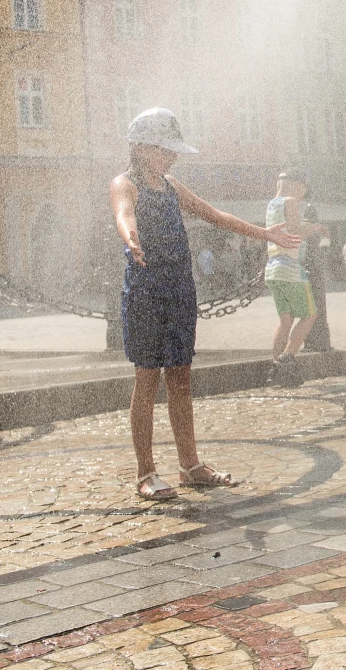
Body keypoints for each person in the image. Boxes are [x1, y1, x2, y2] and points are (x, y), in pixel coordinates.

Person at [110, 108, 301, 501]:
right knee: (147, 380)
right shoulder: (124, 183)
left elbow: (215, 216)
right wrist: (131, 238)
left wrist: (263, 233)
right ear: (141, 148)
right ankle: (146, 473)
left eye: (173, 151)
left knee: (180, 378)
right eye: (165, 150)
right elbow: (123, 214)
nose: (171, 157)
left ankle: (190, 465)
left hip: (179, 290)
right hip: (145, 293)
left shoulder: (172, 186)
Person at [266, 170, 328, 366]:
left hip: (273, 269)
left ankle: (275, 363)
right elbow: (295, 231)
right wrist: (317, 228)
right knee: (310, 315)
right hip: (290, 269)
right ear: (296, 185)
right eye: (304, 189)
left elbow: (287, 227)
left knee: (285, 321)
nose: (303, 194)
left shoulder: (272, 204)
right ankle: (288, 358)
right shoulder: (291, 201)